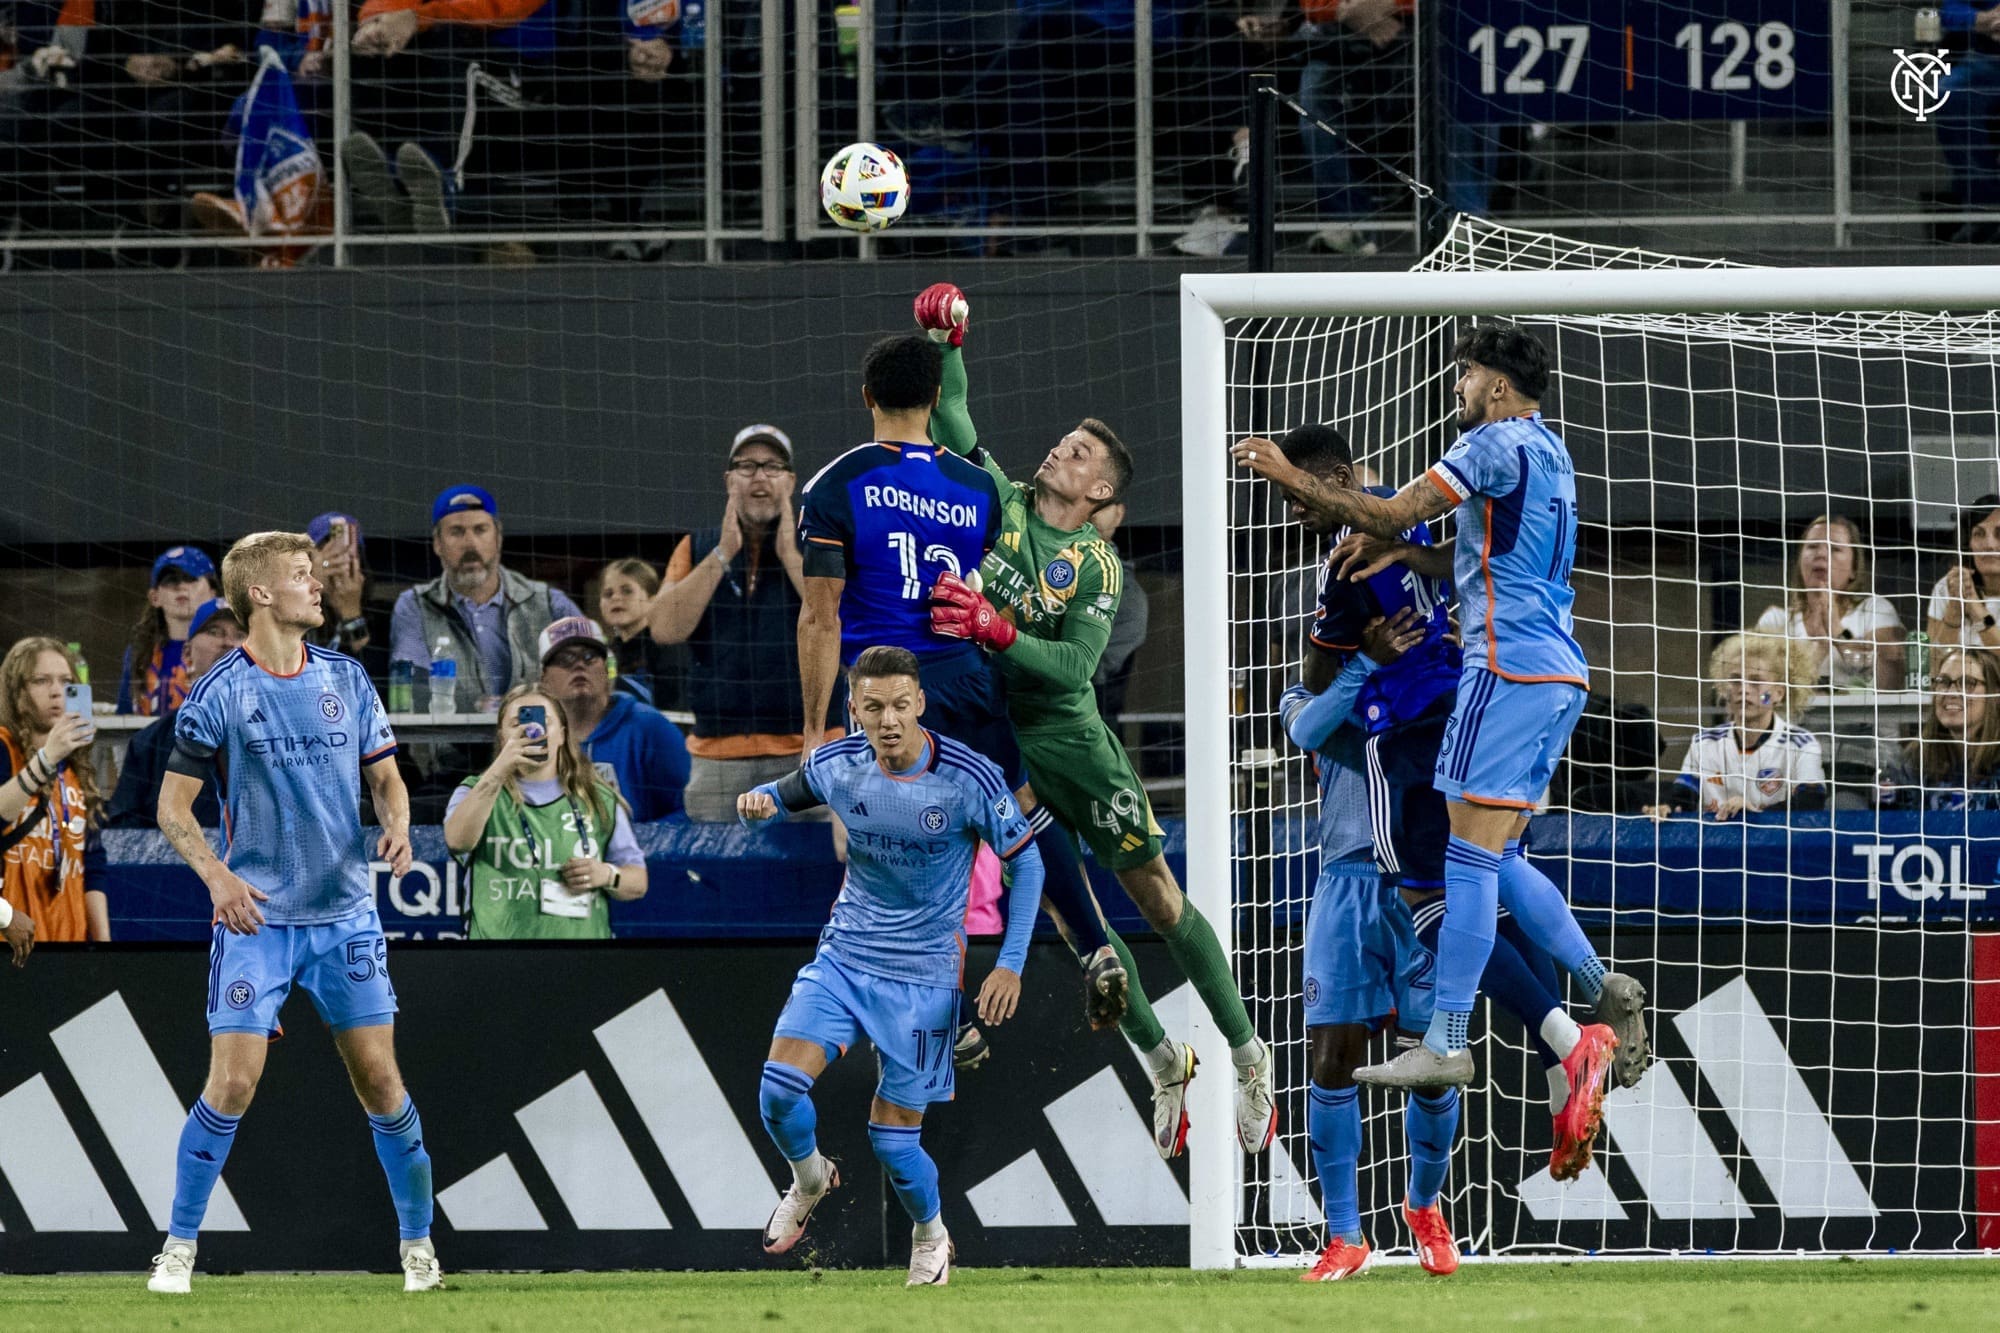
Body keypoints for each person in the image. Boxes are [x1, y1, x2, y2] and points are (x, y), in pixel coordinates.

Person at [1232, 322, 1648, 1091]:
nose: (1456, 387)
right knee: (1499, 853)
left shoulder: (1488, 444)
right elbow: (1467, 552)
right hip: (1560, 670)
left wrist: (1288, 473)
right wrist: (1408, 553)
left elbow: (1387, 523)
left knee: (1461, 864)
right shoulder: (1550, 449)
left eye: (1465, 374)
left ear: (1496, 384)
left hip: (1499, 671)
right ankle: (1589, 990)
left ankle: (1457, 1037)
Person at [916, 284, 1275, 1157]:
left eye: (1076, 452)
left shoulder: (1094, 564)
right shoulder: (998, 501)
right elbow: (953, 414)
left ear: (1100, 486)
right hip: (1004, 746)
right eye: (1063, 442)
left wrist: (999, 629)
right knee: (1078, 922)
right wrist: (948, 337)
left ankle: (1248, 1052)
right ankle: (1162, 1062)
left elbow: (1077, 669)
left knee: (1155, 898)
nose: (1058, 451)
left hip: (1073, 743)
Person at [1277, 420, 1615, 1278]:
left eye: (1301, 494)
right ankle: (1346, 1233)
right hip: (1353, 863)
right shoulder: (1447, 539)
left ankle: (1428, 1203)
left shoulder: (1362, 555)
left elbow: (1315, 699)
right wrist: (1367, 662)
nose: (1299, 511)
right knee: (1338, 1049)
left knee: (1437, 1056)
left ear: (1347, 479)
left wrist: (1369, 662)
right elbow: (1302, 725)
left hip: (1410, 794)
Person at [795, 331, 1128, 1034]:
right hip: (967, 675)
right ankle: (1096, 947)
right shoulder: (976, 489)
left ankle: (944, 1017)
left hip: (892, 692)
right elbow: (1004, 582)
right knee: (1022, 810)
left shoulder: (835, 484)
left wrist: (813, 730)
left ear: (867, 399)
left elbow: (819, 616)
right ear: (935, 398)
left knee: (905, 850)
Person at [146, 531, 439, 1295]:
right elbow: (172, 807)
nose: (321, 584)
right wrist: (217, 877)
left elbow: (386, 779)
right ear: (263, 595)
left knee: (380, 1078)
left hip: (345, 914)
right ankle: (177, 1247)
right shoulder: (218, 691)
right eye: (304, 575)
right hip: (257, 918)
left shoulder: (347, 676)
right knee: (233, 1084)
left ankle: (417, 1247)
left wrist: (399, 822)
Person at [741, 645, 1043, 1287]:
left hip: (926, 977)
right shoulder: (839, 764)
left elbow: (1030, 861)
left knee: (893, 1143)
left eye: (900, 705)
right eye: (873, 707)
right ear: (853, 710)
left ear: (920, 705)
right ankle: (809, 1177)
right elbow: (791, 788)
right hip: (845, 957)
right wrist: (761, 798)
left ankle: (930, 1235)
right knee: (777, 1091)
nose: (888, 720)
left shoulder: (969, 778)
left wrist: (1010, 965)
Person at [650, 424, 833, 820]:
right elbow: (664, 628)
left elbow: (843, 622)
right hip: (717, 758)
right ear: (729, 480)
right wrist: (723, 552)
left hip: (809, 752)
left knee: (817, 877)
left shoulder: (821, 543)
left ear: (791, 481)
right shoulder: (698, 545)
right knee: (715, 879)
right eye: (747, 466)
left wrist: (789, 553)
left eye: (772, 466)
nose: (760, 477)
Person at [445, 685, 648, 938]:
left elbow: (638, 882)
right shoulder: (475, 792)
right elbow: (457, 841)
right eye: (517, 723)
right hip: (499, 960)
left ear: (562, 734)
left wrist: (607, 874)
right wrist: (498, 771)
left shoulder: (598, 797)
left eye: (544, 721)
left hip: (581, 961)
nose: (531, 730)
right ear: (501, 737)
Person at [389, 484, 585, 711]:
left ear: (498, 538)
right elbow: (413, 690)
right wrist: (476, 707)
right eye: (456, 532)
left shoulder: (549, 604)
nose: (470, 543)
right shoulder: (415, 606)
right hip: (450, 745)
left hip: (536, 741)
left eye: (480, 530)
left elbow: (588, 674)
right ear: (437, 543)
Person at [1644, 633, 1825, 821]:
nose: (1744, 689)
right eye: (1736, 680)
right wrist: (1666, 807)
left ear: (1779, 693)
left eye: (1756, 681)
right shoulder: (1704, 743)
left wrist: (1755, 813)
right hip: (1715, 845)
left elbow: (1811, 803)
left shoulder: (1802, 744)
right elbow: (1683, 795)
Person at [0, 636, 108, 943]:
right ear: (17, 693)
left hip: (67, 943)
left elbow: (93, 867)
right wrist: (47, 758)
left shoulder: (77, 768)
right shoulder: (4, 748)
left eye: (65, 681)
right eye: (40, 681)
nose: (56, 692)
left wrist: (106, 949)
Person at [105, 598, 244, 829]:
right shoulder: (149, 744)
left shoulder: (284, 735)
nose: (228, 642)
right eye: (214, 632)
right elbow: (124, 833)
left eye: (240, 634)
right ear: (187, 654)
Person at [536, 616, 688, 821]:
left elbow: (688, 809)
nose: (579, 665)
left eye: (590, 657)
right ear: (544, 679)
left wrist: (636, 843)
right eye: (565, 659)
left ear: (607, 670)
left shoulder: (648, 726)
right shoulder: (535, 740)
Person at [1752, 513, 1904, 691]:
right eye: (1812, 547)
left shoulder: (1875, 609)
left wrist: (1837, 632)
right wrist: (1821, 645)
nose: (1821, 554)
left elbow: (1891, 672)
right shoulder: (1776, 621)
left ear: (1854, 569)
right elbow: (1766, 691)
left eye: (1835, 549)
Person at [1876, 646, 2000, 810]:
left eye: (1968, 683)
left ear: (1995, 695)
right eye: (1943, 682)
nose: (1951, 693)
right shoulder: (1914, 759)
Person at [119, 545, 219, 716]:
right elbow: (124, 716)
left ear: (213, 592)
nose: (180, 586)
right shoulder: (139, 652)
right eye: (170, 580)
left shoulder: (228, 647)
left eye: (190, 578)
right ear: (154, 597)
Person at [306, 512, 388, 681]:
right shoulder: (293, 614)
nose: (338, 563)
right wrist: (312, 588)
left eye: (347, 553)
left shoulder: (384, 615)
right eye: (328, 554)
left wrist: (352, 614)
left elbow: (379, 688)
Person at [596, 557, 686, 710]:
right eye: (608, 593)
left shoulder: (669, 647)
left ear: (652, 600)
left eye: (627, 591)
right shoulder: (602, 654)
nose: (616, 598)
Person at [1926, 495, 2000, 650]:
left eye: (1999, 534)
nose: (1989, 545)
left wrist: (1975, 607)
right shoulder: (1947, 586)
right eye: (1979, 534)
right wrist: (1954, 607)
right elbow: (1934, 662)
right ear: (1968, 544)